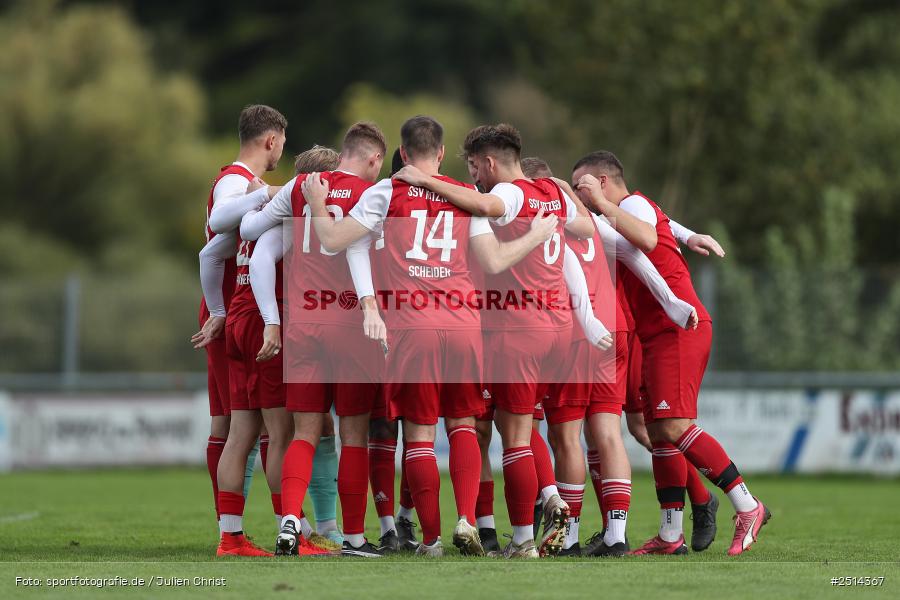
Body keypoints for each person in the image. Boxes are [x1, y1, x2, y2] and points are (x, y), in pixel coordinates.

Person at [574, 150, 770, 556]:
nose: (580, 192)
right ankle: (669, 534)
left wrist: (602, 204)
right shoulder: (628, 209)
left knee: (675, 427)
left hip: (678, 327)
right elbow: (657, 228)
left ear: (603, 182)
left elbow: (646, 236)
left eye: (583, 185)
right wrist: (688, 234)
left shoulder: (627, 205)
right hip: (656, 331)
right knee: (659, 431)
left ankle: (747, 505)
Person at [239, 122, 387, 558]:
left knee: (303, 433)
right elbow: (357, 251)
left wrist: (261, 195)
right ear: (374, 159)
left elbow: (251, 232)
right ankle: (355, 538)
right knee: (353, 434)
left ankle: (290, 520)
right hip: (350, 326)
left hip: (303, 326)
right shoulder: (373, 194)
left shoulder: (303, 185)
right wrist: (371, 306)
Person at [192, 104, 286, 557]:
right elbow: (216, 230)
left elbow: (212, 250)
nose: (280, 152)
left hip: (231, 311)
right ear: (271, 140)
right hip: (237, 312)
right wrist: (260, 196)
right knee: (239, 425)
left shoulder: (233, 179)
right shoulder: (236, 180)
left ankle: (231, 531)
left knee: (234, 425)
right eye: (281, 143)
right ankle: (234, 530)